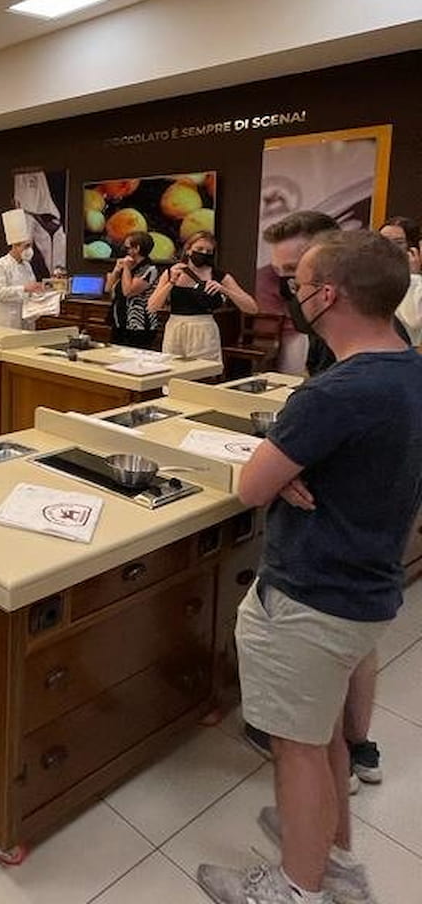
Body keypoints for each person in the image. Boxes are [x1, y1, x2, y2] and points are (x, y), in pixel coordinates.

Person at [198, 230, 422, 904]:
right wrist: (298, 464)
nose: (291, 295)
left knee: (295, 747)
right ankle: (335, 857)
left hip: (310, 595)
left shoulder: (333, 394)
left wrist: (282, 465)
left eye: (297, 285)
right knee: (323, 733)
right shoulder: (409, 368)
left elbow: (251, 486)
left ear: (328, 295)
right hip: (368, 588)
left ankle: (298, 887)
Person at [147, 230, 258, 360]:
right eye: (199, 249)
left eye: (208, 251)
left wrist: (224, 290)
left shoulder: (219, 276)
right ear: (188, 250)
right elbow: (152, 307)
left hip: (204, 331)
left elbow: (252, 308)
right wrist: (171, 282)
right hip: (175, 329)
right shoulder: (172, 272)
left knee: (204, 369)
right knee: (174, 369)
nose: (203, 253)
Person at [261, 211, 340, 376]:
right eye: (277, 271)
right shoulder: (318, 325)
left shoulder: (356, 333)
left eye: (293, 268)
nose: (287, 283)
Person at [0, 209, 49, 328]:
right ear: (15, 246)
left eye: (30, 246)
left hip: (25, 316)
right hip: (5, 320)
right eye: (26, 246)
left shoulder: (27, 266)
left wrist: (40, 290)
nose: (29, 250)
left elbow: (31, 288)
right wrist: (24, 288)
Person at [104, 231, 160, 348]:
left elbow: (128, 291)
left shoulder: (149, 269)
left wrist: (126, 269)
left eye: (127, 247)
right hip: (120, 321)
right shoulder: (128, 266)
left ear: (137, 248)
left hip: (138, 325)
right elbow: (108, 288)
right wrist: (116, 270)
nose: (124, 250)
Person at [379, 216, 422, 345]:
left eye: (398, 242)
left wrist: (411, 277)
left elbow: (413, 323)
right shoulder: (367, 278)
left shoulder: (417, 282)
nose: (388, 248)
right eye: (383, 241)